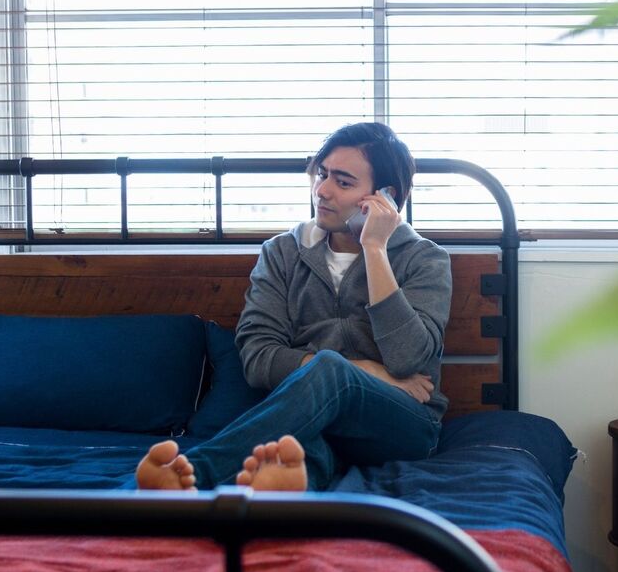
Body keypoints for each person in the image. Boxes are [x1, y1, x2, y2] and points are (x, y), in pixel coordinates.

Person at [135, 122, 452, 492]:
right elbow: (257, 357)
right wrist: (363, 368)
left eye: (343, 182)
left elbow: (408, 361)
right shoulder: (283, 253)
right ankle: (280, 492)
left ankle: (191, 475)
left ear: (384, 196)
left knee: (328, 371)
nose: (323, 191)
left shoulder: (424, 260)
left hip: (401, 423)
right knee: (296, 449)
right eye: (322, 175)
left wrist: (375, 249)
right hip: (308, 419)